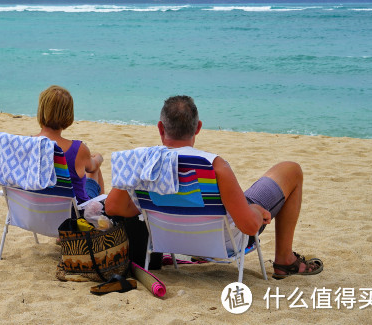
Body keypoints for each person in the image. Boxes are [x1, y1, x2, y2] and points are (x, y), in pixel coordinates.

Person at [105, 95, 323, 279]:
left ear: (161, 128)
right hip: (221, 241)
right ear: (198, 127)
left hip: (168, 238)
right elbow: (248, 227)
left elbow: (113, 207)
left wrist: (148, 204)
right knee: (290, 169)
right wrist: (256, 210)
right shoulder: (214, 165)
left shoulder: (142, 161)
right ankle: (285, 260)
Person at [36, 85, 105, 203]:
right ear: (68, 115)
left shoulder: (27, 145)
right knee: (95, 169)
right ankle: (100, 213)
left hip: (35, 207)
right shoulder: (78, 149)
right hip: (75, 211)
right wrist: (98, 158)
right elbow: (93, 166)